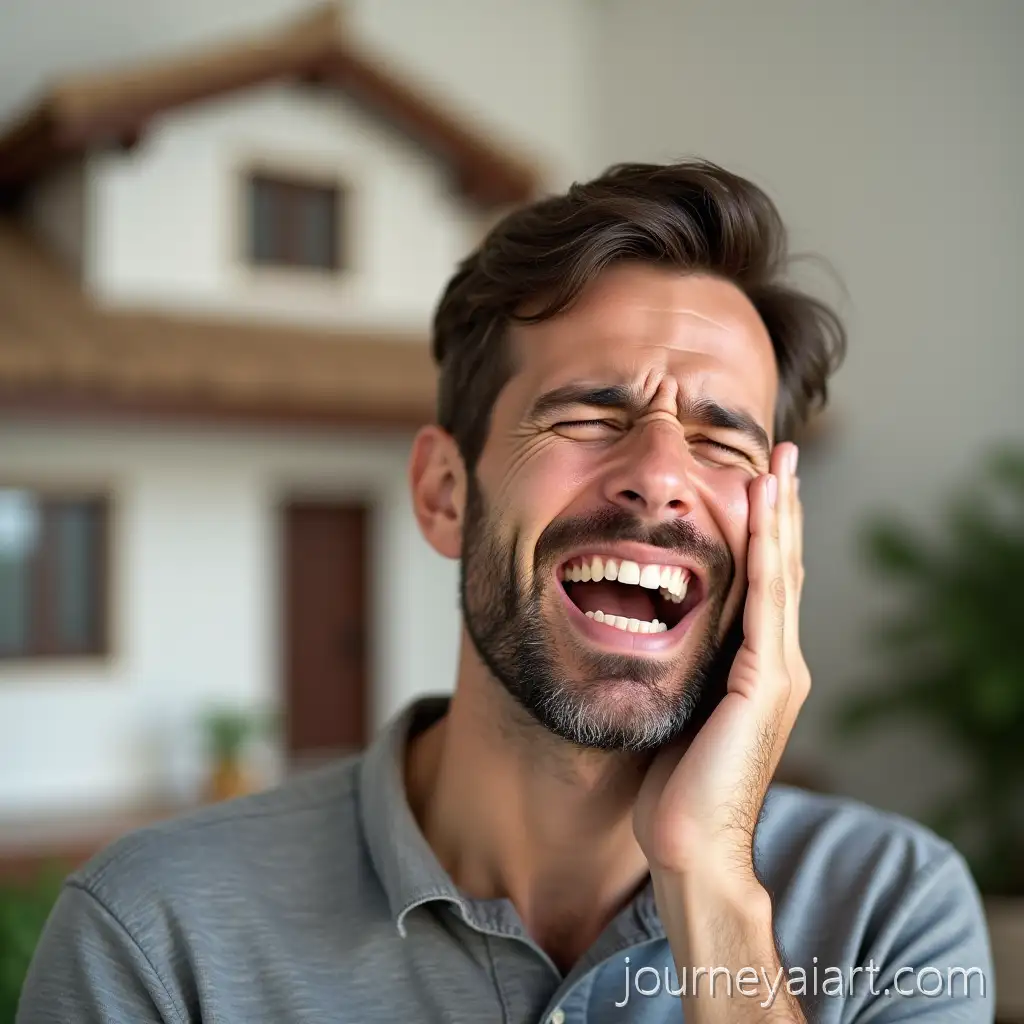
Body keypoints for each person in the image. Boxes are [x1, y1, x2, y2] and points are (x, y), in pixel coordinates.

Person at [18, 161, 994, 1023]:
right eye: (588, 413)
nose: (659, 473)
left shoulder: (893, 910)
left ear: (775, 530)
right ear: (445, 494)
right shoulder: (153, 933)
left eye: (722, 439)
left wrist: (712, 885)